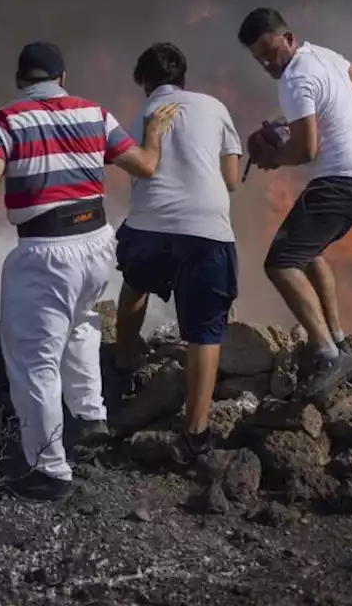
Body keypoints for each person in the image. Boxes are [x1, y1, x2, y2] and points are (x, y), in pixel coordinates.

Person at [0, 41, 179, 501]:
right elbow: (146, 165)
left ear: (21, 80)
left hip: (45, 251)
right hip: (98, 243)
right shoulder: (94, 113)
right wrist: (155, 132)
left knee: (34, 360)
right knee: (82, 324)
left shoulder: (5, 121)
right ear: (62, 77)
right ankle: (90, 417)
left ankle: (49, 471)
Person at [237, 7, 352, 402]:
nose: (268, 63)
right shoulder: (323, 56)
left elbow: (306, 149)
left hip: (340, 180)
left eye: (271, 52)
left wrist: (272, 158)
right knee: (306, 252)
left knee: (280, 264)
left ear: (288, 38)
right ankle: (338, 340)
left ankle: (326, 353)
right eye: (259, 58)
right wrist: (331, 113)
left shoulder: (295, 78)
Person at [113, 42, 242, 464]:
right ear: (183, 78)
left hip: (149, 226)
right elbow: (233, 180)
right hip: (207, 230)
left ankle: (124, 361)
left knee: (135, 284)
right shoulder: (214, 106)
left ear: (144, 82)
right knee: (204, 330)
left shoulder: (138, 115)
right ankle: (196, 433)